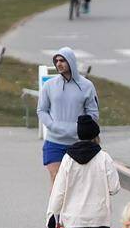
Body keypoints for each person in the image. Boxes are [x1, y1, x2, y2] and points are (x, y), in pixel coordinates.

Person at [47, 114, 120, 228]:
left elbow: (59, 191)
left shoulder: (68, 159)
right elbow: (114, 187)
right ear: (96, 135)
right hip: (99, 217)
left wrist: (51, 215)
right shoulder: (104, 158)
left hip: (74, 218)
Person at [37, 46, 100, 184]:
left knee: (75, 183)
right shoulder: (49, 85)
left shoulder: (87, 86)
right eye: (56, 61)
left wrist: (80, 129)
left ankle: (72, 206)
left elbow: (93, 114)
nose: (58, 64)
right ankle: (56, 206)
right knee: (57, 179)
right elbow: (42, 110)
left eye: (62, 60)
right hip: (54, 142)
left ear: (71, 62)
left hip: (78, 143)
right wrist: (53, 125)